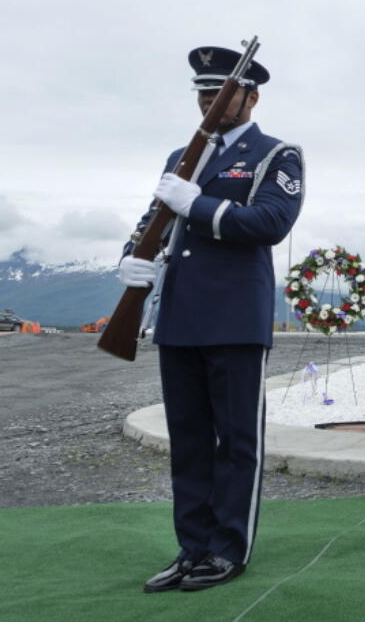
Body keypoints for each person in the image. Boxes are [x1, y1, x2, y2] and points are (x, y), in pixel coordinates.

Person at [118, 46, 304, 592]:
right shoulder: (182, 154)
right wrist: (132, 260)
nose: (210, 99)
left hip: (235, 317)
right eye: (203, 91)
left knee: (237, 441)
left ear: (251, 97)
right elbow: (153, 222)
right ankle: (191, 546)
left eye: (222, 92)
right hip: (179, 316)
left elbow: (270, 221)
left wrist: (197, 204)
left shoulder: (277, 154)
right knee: (190, 441)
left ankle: (228, 549)